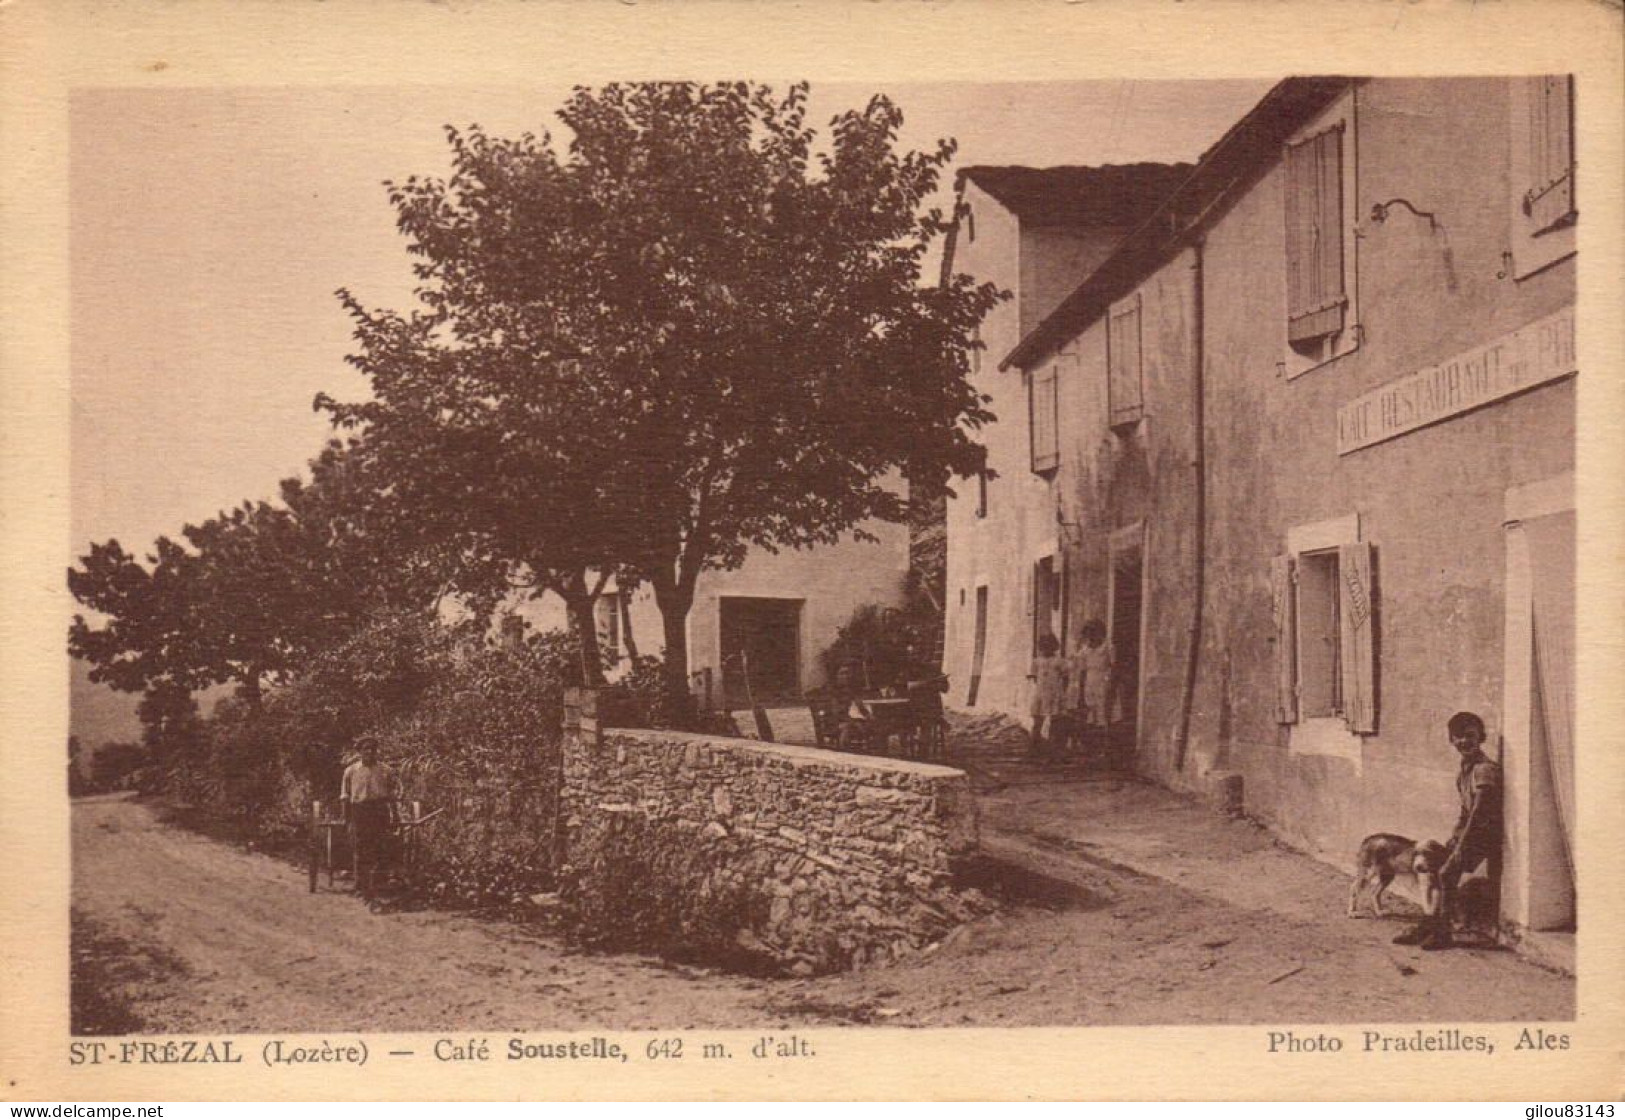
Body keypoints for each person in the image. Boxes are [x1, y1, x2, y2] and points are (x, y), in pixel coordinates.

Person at [1394, 711, 1502, 950]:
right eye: (1458, 737)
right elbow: (1464, 813)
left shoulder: (1484, 770)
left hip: (1483, 838)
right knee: (1425, 857)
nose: (1464, 742)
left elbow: (1479, 815)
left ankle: (1443, 932)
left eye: (1470, 736)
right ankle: (1429, 922)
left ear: (1481, 737)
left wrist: (1460, 849)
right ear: (1451, 740)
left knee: (1446, 873)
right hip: (1466, 835)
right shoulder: (1464, 771)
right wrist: (1454, 839)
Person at [341, 739, 398, 899]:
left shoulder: (385, 770)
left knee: (381, 846)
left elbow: (391, 796)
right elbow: (345, 796)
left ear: (376, 751)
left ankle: (379, 883)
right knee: (361, 847)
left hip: (379, 811)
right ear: (360, 752)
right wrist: (347, 819)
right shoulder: (351, 771)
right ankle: (361, 885)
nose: (369, 752)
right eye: (366, 749)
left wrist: (396, 816)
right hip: (360, 811)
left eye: (372, 749)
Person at [1028, 632, 1067, 761]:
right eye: (1043, 647)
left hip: (1054, 692)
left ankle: (1054, 749)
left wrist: (1060, 692)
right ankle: (1035, 748)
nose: (1045, 649)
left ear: (1054, 647)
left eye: (1048, 646)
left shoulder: (1059, 661)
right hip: (1041, 693)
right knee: (1037, 720)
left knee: (1055, 721)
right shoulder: (1037, 661)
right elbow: (1034, 677)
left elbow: (1065, 677)